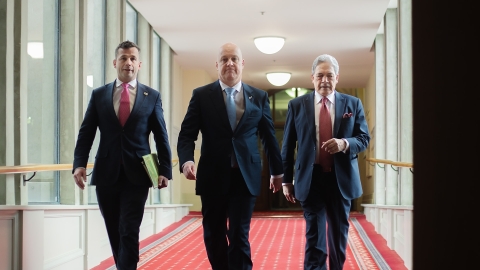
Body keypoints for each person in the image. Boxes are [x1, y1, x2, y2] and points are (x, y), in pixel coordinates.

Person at [177, 42, 284, 270]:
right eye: (224, 59)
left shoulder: (259, 97)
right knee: (213, 233)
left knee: (239, 234)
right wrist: (186, 160)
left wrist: (277, 171)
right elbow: (187, 135)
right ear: (217, 65)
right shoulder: (201, 96)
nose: (230, 63)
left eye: (234, 59)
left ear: (242, 64)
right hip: (212, 176)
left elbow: (268, 137)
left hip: (245, 177)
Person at [72, 40, 172, 270]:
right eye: (124, 58)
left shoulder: (152, 96)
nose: (128, 62)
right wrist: (79, 164)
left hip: (138, 173)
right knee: (114, 228)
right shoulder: (99, 95)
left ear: (140, 64)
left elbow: (161, 135)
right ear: (115, 62)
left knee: (129, 228)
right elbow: (86, 132)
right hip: (106, 173)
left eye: (133, 59)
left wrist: (165, 170)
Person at [281, 54, 370, 270]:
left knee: (338, 236)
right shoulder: (297, 105)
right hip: (311, 179)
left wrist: (344, 143)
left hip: (341, 180)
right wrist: (286, 180)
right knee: (315, 236)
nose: (324, 80)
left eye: (329, 75)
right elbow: (288, 145)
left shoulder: (353, 103)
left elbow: (363, 138)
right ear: (312, 78)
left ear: (337, 77)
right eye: (320, 75)